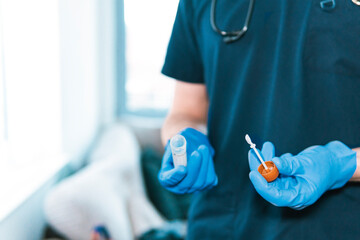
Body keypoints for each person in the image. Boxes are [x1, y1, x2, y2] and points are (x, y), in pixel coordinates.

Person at [157, 0, 360, 239]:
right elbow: (186, 111)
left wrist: (341, 164)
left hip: (335, 228)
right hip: (218, 224)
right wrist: (183, 140)